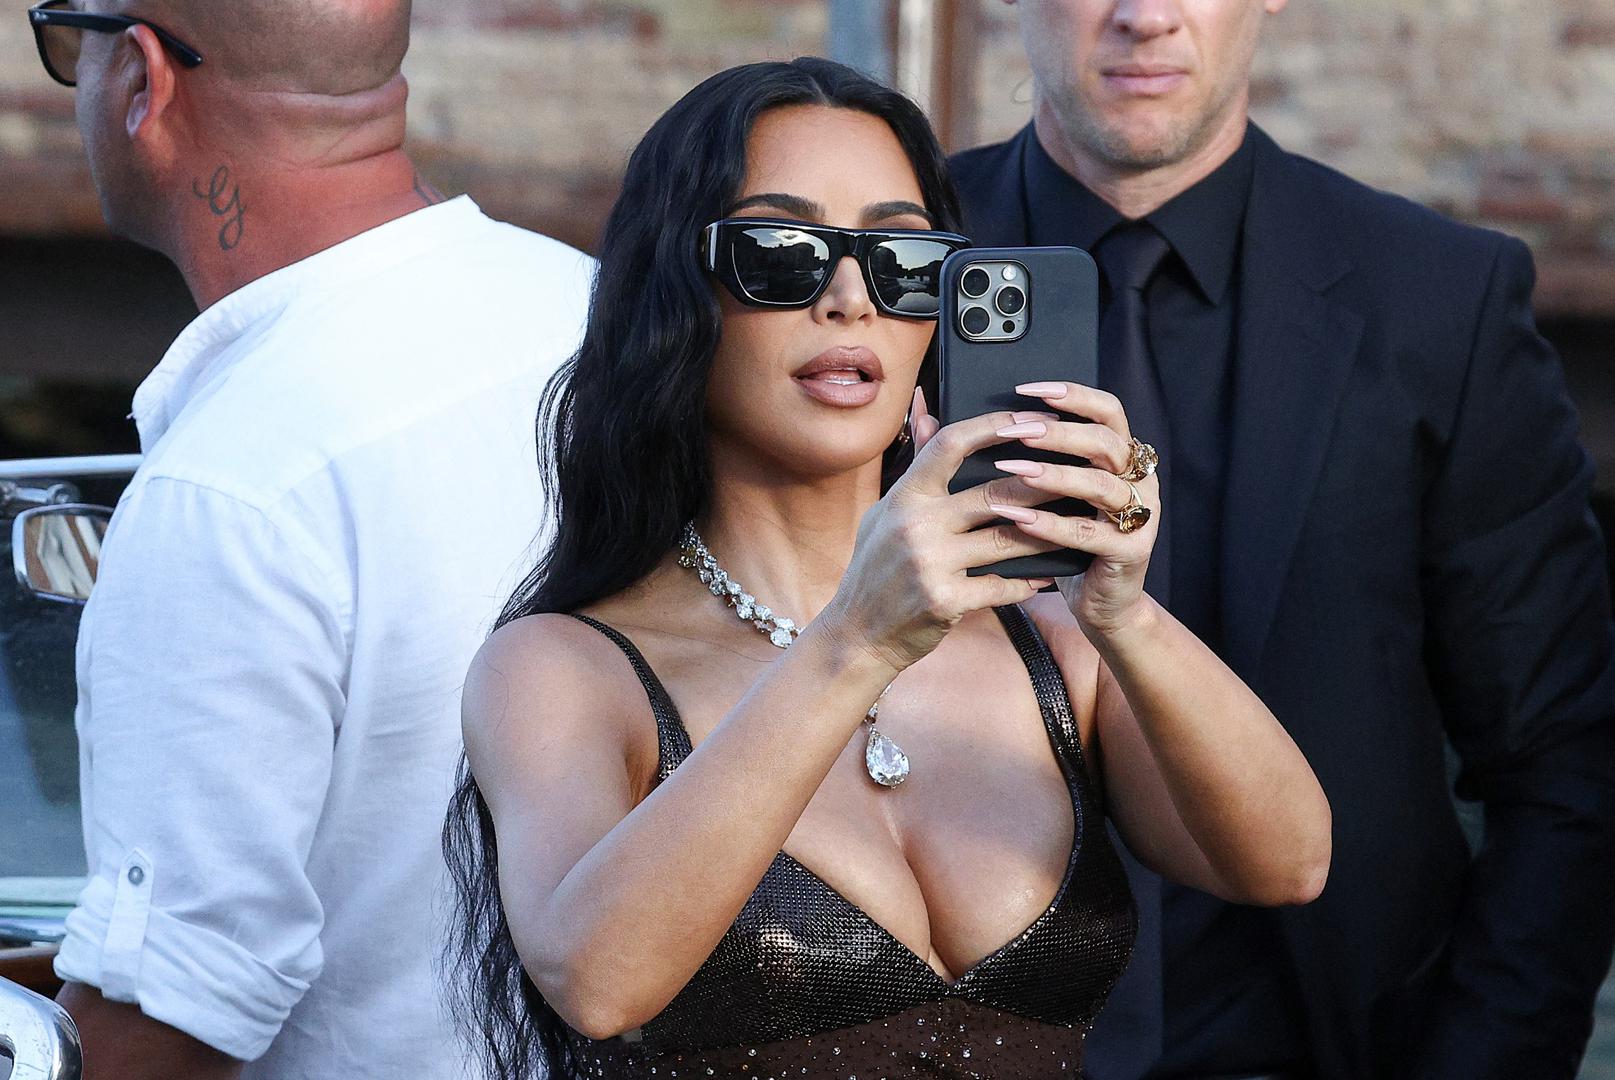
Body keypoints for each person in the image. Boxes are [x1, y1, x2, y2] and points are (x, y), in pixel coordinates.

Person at [443, 56, 1330, 1080]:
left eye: (903, 260)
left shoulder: (1051, 646)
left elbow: (1288, 863)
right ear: (673, 293)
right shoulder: (563, 669)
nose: (849, 298)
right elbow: (596, 981)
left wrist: (1124, 614)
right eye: (781, 251)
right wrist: (853, 642)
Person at [948, 2, 1615, 1078]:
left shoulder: (1438, 299)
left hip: (1330, 1044)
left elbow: (1559, 759)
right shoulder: (881, 272)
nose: (1145, 16)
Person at [26, 0, 594, 1076]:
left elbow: (177, 1020)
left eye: (69, 39)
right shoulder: (590, 308)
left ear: (142, 79)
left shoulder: (229, 488)